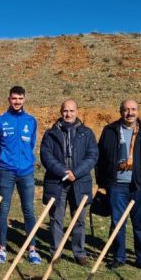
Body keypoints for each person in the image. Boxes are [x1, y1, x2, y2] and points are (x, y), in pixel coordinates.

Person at [96, 99, 141, 272]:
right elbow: (100, 157)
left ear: (138, 111)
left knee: (140, 223)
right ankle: (119, 257)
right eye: (126, 109)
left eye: (133, 109)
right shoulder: (109, 130)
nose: (130, 113)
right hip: (117, 185)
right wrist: (102, 182)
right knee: (118, 223)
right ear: (120, 111)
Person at [40, 99, 98, 266]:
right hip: (57, 181)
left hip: (80, 182)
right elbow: (46, 156)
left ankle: (79, 252)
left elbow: (92, 155)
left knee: (78, 218)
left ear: (77, 112)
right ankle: (56, 251)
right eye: (65, 111)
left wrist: (76, 172)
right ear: (61, 112)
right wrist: (64, 172)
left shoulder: (87, 133)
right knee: (56, 217)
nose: (68, 114)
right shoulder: (51, 134)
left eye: (72, 111)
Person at [0, 85, 41, 264]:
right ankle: (1, 247)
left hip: (26, 172)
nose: (17, 102)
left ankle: (33, 249)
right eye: (14, 98)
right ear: (9, 99)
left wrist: (28, 160)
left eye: (20, 99)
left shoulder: (31, 121)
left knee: (28, 210)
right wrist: (2, 162)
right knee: (3, 210)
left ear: (24, 99)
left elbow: (32, 144)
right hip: (6, 171)